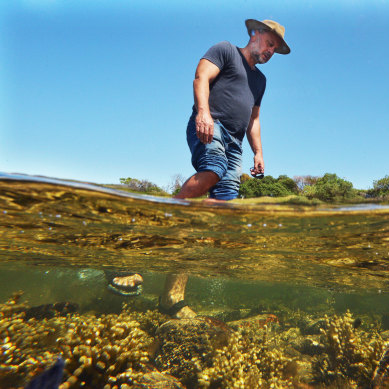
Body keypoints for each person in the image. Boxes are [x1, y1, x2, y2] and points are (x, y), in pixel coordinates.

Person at [109, 19, 290, 319]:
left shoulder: (261, 82)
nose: (271, 50)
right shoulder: (225, 50)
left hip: (236, 144)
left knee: (219, 215)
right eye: (269, 42)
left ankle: (171, 295)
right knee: (213, 169)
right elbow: (200, 77)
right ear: (255, 34)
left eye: (276, 48)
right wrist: (203, 113)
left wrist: (258, 151)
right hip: (210, 125)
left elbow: (254, 120)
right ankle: (148, 239)